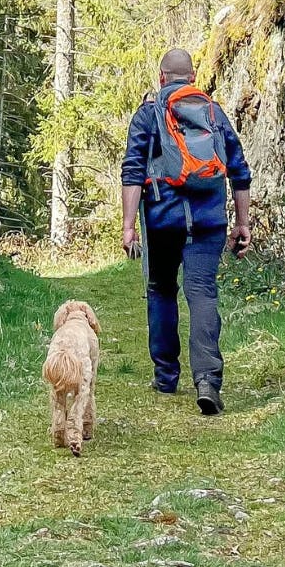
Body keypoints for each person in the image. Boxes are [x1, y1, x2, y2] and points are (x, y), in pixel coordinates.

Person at [120, 48, 253, 415]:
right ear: (193, 77)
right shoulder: (214, 114)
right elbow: (240, 172)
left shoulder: (148, 114)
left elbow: (132, 172)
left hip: (163, 222)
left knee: (161, 289)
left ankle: (165, 376)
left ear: (161, 77)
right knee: (203, 294)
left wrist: (129, 226)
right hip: (209, 222)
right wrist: (243, 224)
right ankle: (208, 380)